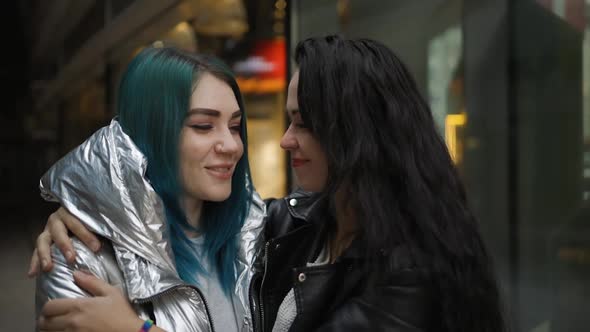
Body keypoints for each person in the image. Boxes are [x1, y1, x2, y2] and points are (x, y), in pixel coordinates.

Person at [31, 36, 507, 332]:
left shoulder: (410, 268)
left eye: (302, 123)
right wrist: (90, 206)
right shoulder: (291, 226)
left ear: (352, 134)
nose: (280, 141)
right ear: (155, 133)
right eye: (203, 126)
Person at [32, 46, 266, 332]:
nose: (231, 145)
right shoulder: (78, 258)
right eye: (204, 126)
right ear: (152, 134)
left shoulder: (260, 234)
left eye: (234, 126)